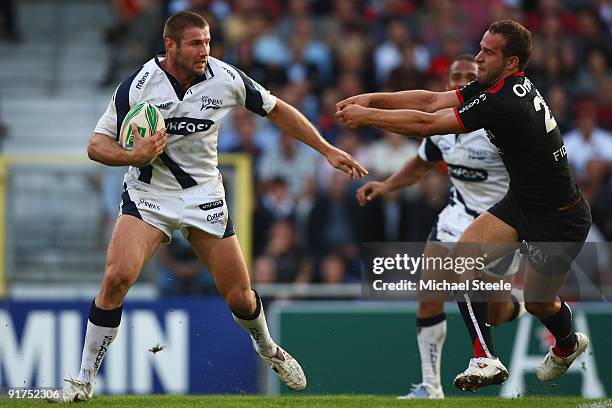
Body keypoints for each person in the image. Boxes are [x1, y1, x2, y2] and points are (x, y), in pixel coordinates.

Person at [50, 11, 366, 403]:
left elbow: (278, 109)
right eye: (196, 43)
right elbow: (96, 145)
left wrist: (327, 149)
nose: (205, 51)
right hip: (149, 196)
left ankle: (267, 347)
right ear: (171, 46)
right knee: (116, 279)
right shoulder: (138, 85)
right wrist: (133, 153)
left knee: (240, 297)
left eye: (208, 42)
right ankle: (82, 382)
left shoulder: (226, 78)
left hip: (203, 197)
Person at [337, 19, 591, 392]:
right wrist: (372, 98)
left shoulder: (502, 102)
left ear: (511, 63)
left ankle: (568, 344)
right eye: (481, 47)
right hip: (520, 203)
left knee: (539, 303)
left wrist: (368, 116)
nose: (479, 56)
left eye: (489, 52)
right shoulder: (498, 85)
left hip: (560, 219)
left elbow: (427, 122)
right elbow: (431, 100)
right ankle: (484, 358)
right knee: (460, 261)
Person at [356, 54, 524, 399]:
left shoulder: (497, 124)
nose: (461, 82)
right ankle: (430, 386)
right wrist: (386, 185)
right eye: (455, 77)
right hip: (456, 217)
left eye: (469, 75)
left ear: (480, 81)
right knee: (429, 296)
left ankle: (517, 306)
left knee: (496, 309)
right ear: (447, 84)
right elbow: (421, 164)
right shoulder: (444, 127)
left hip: (501, 222)